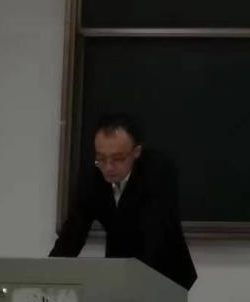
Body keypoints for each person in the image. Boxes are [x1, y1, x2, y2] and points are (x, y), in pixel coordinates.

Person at [50, 113, 197, 291]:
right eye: (101, 158)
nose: (108, 167)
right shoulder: (92, 178)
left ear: (136, 152)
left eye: (118, 159)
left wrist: (127, 286)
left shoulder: (159, 172)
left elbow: (154, 233)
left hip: (166, 273)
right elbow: (73, 233)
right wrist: (47, 278)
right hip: (120, 269)